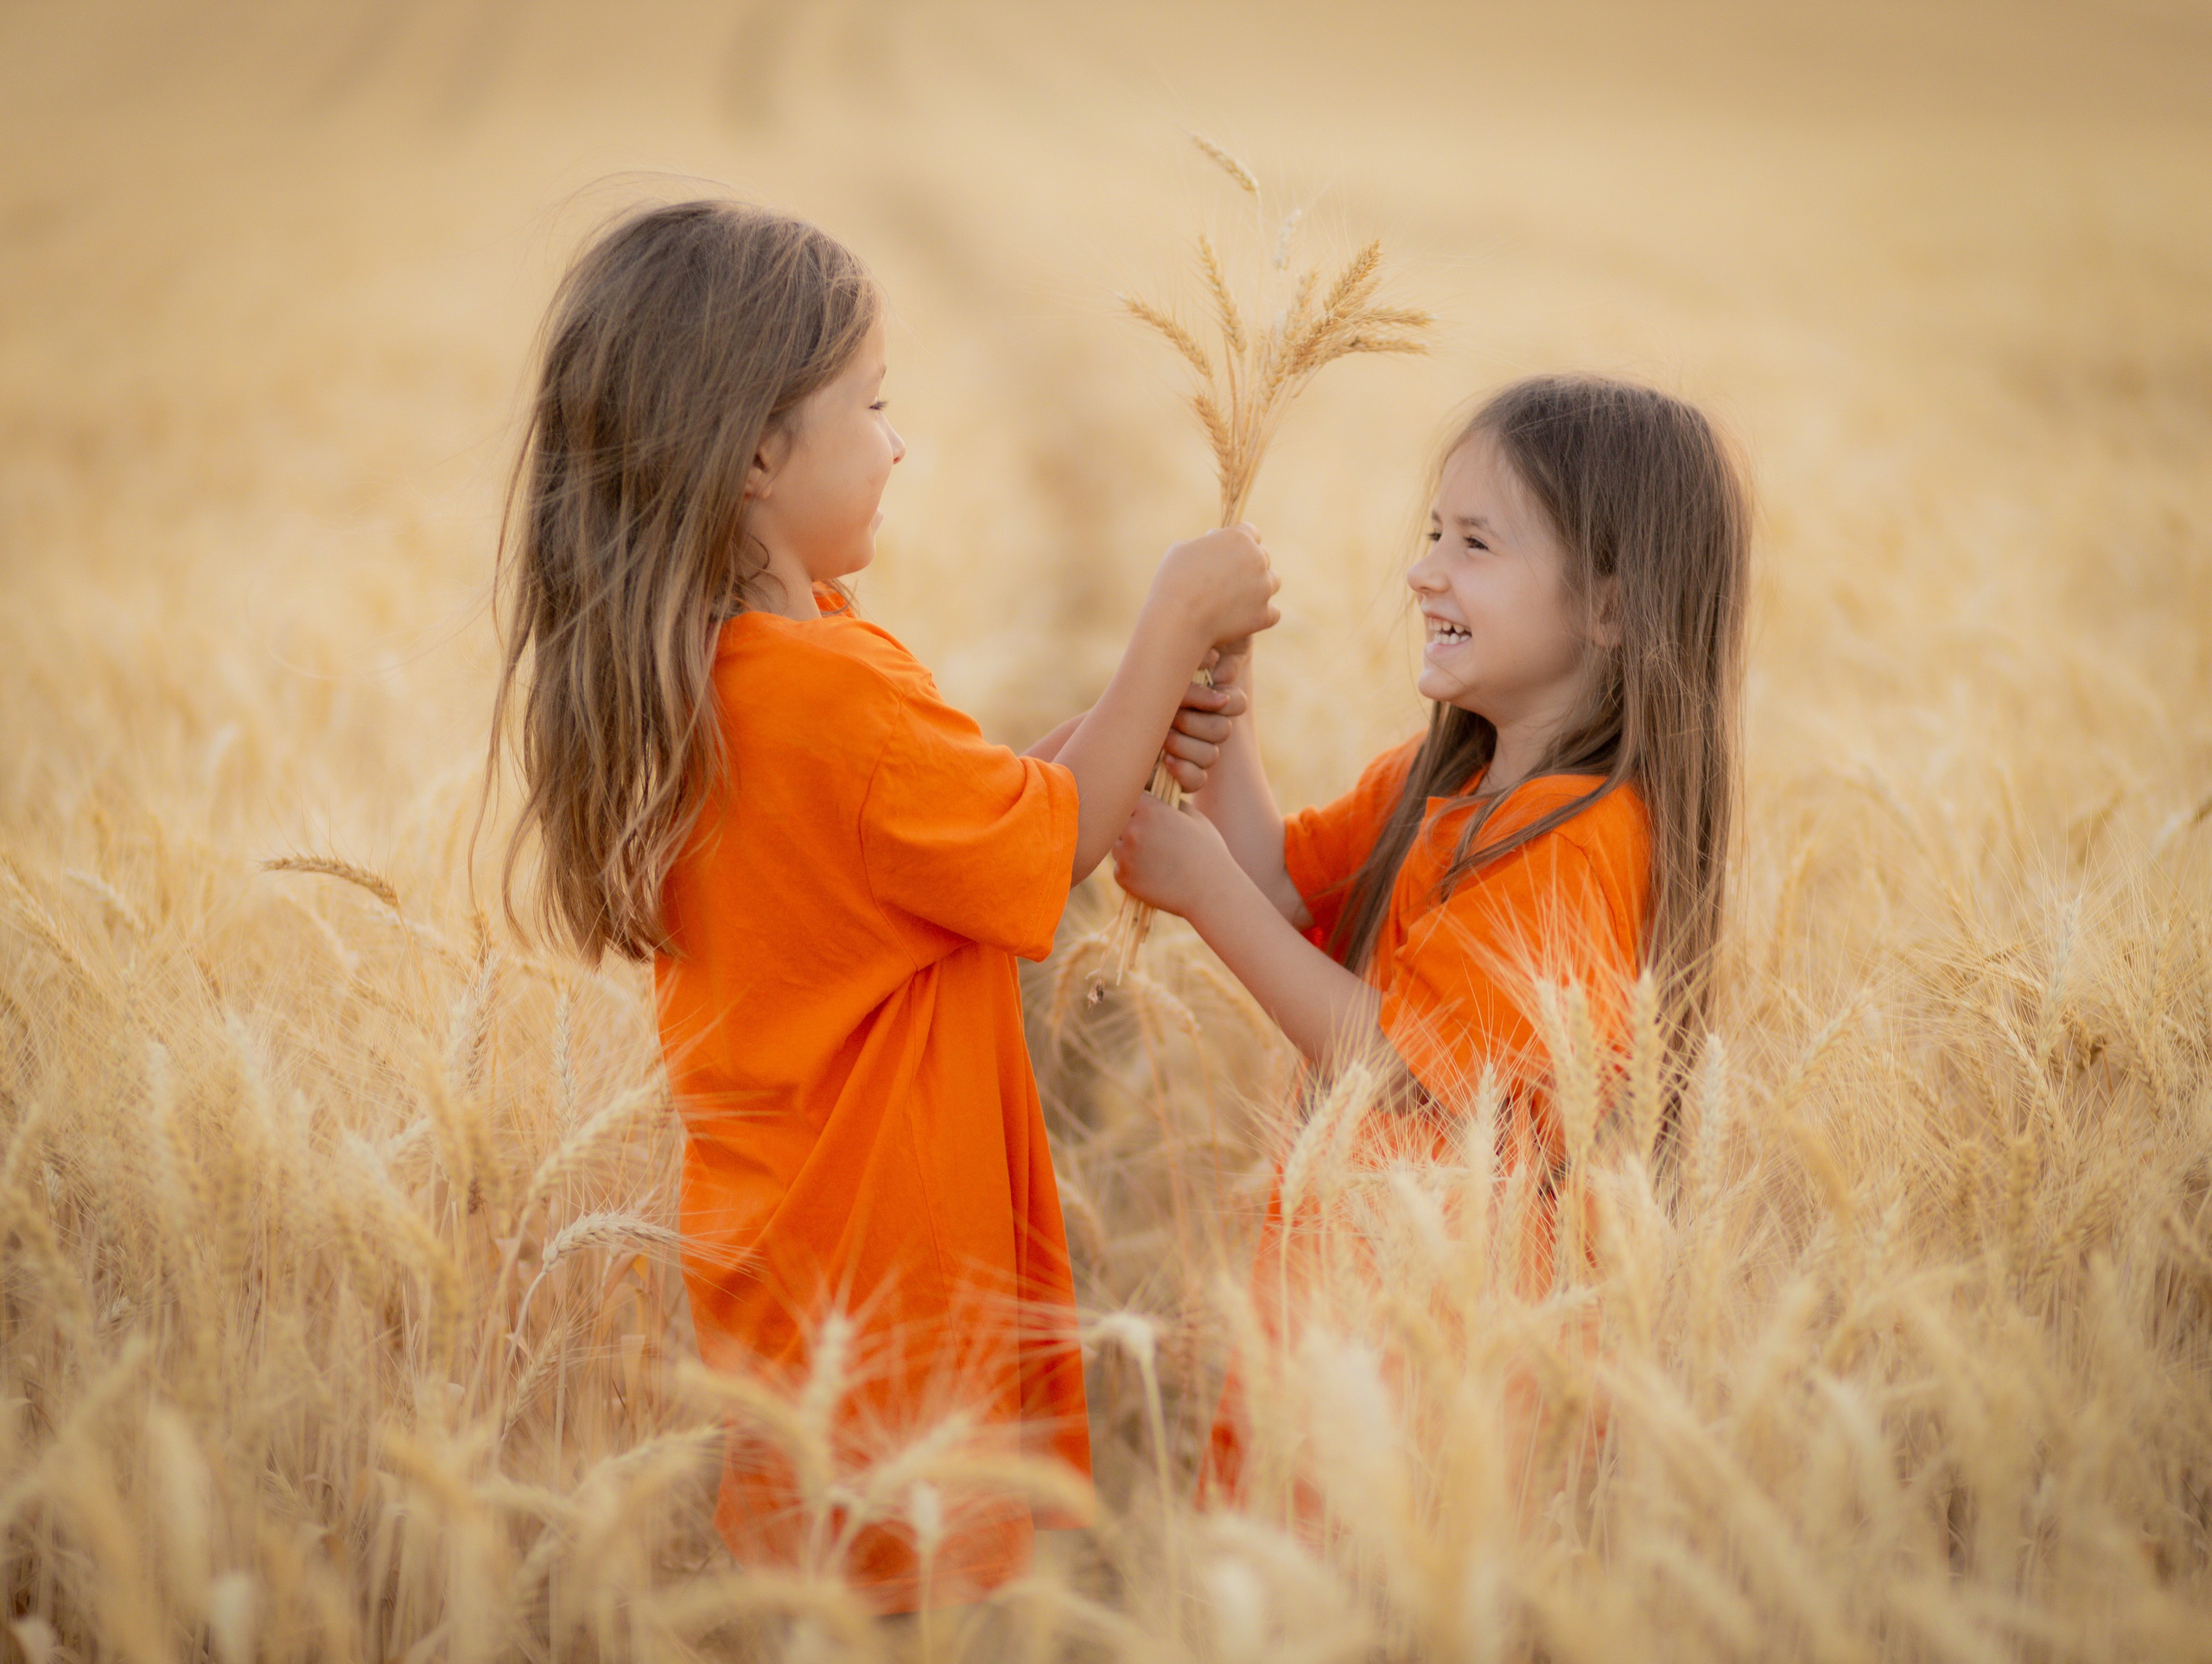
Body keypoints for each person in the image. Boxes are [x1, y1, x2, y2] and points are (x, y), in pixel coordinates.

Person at [484, 198, 1276, 1612]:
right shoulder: (827, 690)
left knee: (826, 1593)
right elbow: (1049, 839)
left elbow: (974, 820)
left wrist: (1128, 718)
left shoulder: (735, 671)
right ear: (756, 454)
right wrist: (1173, 619)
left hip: (787, 1263)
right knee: (919, 1603)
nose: (899, 443)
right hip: (898, 1275)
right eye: (875, 404)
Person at [1109, 374, 1750, 1506]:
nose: (1424, 571)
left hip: (1447, 1352)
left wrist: (1203, 892)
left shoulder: (1582, 841)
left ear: (1609, 609)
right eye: (1433, 533)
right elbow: (1283, 886)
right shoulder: (1441, 780)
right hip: (1344, 1302)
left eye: (1475, 544)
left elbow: (1401, 1063)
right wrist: (1227, 717)